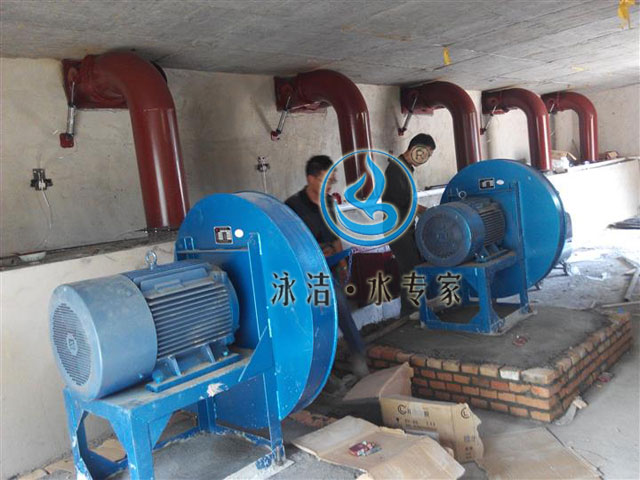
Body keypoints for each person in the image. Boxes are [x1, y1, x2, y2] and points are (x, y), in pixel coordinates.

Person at [285, 155, 369, 378]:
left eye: (332, 181)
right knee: (332, 306)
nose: (329, 185)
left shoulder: (329, 203)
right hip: (306, 270)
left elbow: (334, 236)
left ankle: (351, 357)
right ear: (311, 179)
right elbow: (287, 244)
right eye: (325, 180)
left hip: (328, 265)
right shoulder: (292, 207)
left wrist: (342, 265)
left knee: (338, 308)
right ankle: (327, 367)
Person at [382, 133, 436, 317]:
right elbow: (406, 203)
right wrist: (428, 211)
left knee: (415, 266)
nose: (426, 159)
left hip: (406, 227)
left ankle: (416, 310)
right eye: (426, 153)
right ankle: (409, 313)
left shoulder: (406, 169)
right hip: (397, 229)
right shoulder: (396, 170)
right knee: (411, 269)